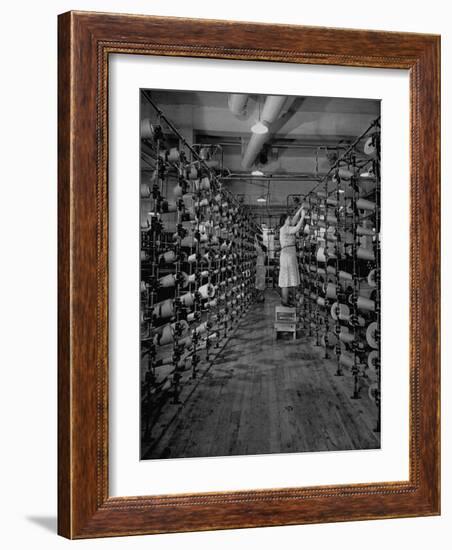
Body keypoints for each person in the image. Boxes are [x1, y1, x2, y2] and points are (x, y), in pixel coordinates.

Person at [278, 206, 306, 306]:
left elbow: (294, 220)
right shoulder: (285, 228)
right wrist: (302, 217)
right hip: (287, 256)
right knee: (286, 280)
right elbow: (296, 228)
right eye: (288, 219)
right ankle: (285, 301)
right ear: (285, 221)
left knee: (288, 278)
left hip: (289, 254)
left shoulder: (286, 227)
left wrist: (300, 209)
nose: (290, 220)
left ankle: (287, 300)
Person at [254, 236, 267, 302]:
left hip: (260, 269)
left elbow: (256, 246)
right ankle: (260, 297)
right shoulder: (263, 254)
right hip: (261, 268)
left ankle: (260, 297)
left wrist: (255, 238)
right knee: (261, 284)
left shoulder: (261, 253)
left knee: (260, 284)